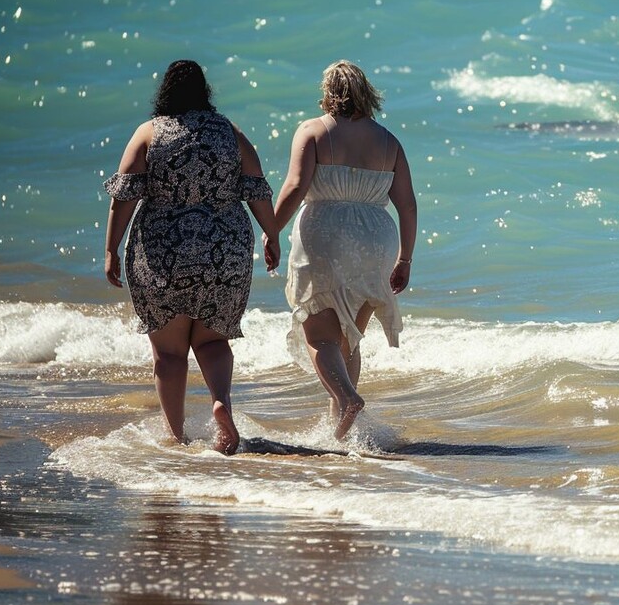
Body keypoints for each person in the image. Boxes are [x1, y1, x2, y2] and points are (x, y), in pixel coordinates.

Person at [104, 60, 280, 455]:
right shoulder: (230, 133)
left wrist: (111, 248)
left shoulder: (150, 133)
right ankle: (221, 402)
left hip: (163, 257)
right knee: (213, 341)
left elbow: (124, 196)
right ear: (205, 92)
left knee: (169, 354)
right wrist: (272, 234)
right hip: (224, 255)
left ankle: (176, 437)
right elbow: (257, 190)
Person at [268, 60, 417, 441]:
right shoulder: (389, 142)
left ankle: (348, 399)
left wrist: (271, 230)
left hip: (325, 235)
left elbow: (297, 185)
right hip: (376, 240)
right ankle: (342, 434)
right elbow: (408, 205)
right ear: (366, 91)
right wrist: (405, 258)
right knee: (349, 337)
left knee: (319, 335)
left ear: (328, 92)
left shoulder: (313, 131)